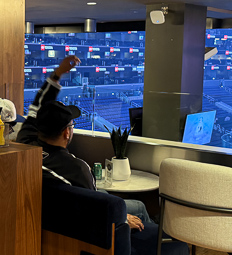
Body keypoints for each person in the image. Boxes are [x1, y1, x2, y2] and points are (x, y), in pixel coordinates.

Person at [17, 55, 151, 230]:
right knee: (138, 207)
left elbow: (39, 105)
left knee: (107, 195)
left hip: (48, 219)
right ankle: (153, 247)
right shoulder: (78, 169)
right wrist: (123, 219)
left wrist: (58, 73)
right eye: (71, 125)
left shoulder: (24, 143)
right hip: (84, 227)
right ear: (67, 132)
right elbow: (95, 209)